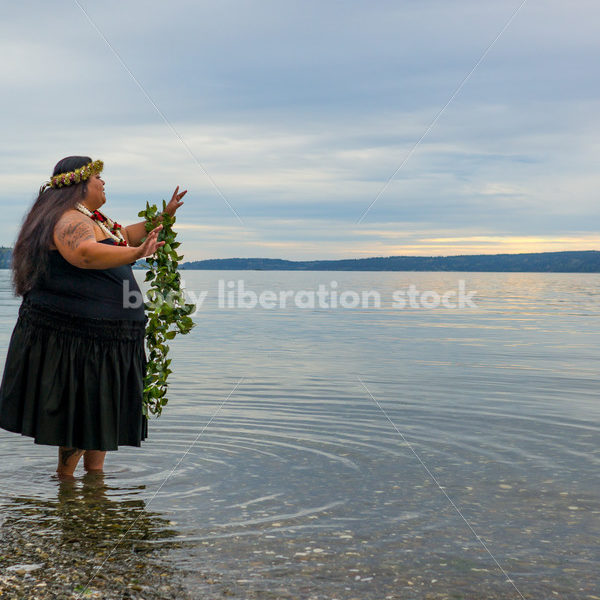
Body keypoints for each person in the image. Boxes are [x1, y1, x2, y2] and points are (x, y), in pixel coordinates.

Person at [0, 156, 187, 478]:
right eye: (99, 178)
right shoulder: (68, 220)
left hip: (107, 335)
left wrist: (164, 217)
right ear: (82, 183)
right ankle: (66, 482)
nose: (103, 183)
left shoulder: (92, 218)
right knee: (84, 409)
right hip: (80, 335)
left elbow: (125, 235)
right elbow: (84, 253)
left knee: (100, 408)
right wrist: (136, 254)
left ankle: (95, 483)